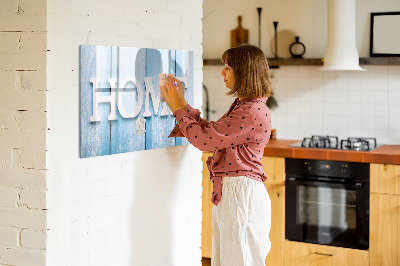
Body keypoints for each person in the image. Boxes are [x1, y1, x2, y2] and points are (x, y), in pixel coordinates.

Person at [161, 44, 273, 266]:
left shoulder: (250, 111)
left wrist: (177, 109)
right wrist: (182, 104)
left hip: (241, 196)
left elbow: (204, 141)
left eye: (228, 67)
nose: (222, 72)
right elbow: (212, 133)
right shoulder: (246, 106)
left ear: (244, 72)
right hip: (236, 194)